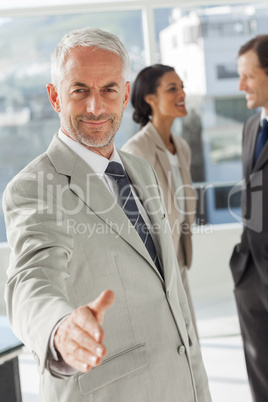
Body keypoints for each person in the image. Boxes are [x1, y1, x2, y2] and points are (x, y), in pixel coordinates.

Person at [3, 28, 211, 401]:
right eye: (79, 90)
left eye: (109, 90)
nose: (95, 107)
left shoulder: (139, 169)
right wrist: (58, 329)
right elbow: (31, 279)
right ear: (54, 97)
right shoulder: (34, 186)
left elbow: (170, 292)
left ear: (126, 93)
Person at [122, 64, 198, 336]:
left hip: (179, 258)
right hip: (158, 266)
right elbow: (132, 219)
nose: (182, 94)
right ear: (150, 99)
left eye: (182, 87)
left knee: (191, 338)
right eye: (172, 89)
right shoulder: (135, 151)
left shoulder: (182, 147)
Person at [230, 34, 268, 402]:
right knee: (260, 377)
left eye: (249, 76)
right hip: (251, 274)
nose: (240, 85)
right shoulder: (250, 127)